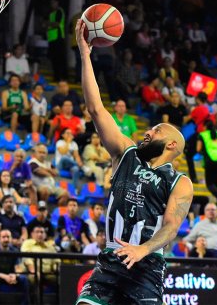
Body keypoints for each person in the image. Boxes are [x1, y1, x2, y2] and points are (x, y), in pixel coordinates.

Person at [75, 20, 193, 305]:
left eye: (157, 130)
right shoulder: (126, 152)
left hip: (147, 269)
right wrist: (84, 55)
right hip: (111, 260)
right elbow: (96, 109)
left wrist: (144, 249)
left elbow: (170, 228)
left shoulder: (181, 182)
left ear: (172, 144)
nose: (148, 131)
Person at [0, 229, 29, 305]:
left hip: (11, 275)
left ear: (11, 238)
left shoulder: (15, 251)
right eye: (3, 237)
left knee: (24, 278)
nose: (6, 239)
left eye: (8, 237)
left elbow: (18, 268)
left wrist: (15, 275)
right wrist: (4, 276)